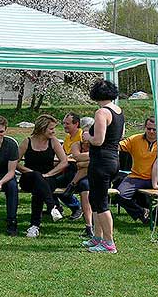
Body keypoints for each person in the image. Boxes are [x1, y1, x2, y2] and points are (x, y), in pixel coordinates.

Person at [81, 80, 124, 254]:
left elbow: (98, 140)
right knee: (96, 199)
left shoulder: (101, 112)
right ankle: (97, 237)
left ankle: (109, 242)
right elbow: (120, 135)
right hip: (113, 159)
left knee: (101, 202)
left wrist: (86, 137)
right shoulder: (119, 111)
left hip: (101, 161)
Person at [116, 117, 158, 224]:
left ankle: (155, 216)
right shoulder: (134, 139)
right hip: (136, 176)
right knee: (119, 195)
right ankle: (142, 213)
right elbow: (118, 146)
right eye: (149, 128)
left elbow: (157, 164)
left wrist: (155, 183)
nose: (151, 131)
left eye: (154, 129)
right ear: (145, 128)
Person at [17, 114, 68, 238]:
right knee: (37, 177)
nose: (53, 131)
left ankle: (34, 226)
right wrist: (30, 172)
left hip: (48, 179)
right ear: (42, 128)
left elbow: (64, 162)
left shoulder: (53, 141)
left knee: (39, 189)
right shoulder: (27, 141)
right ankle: (52, 207)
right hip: (28, 178)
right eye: (51, 129)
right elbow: (15, 163)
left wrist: (49, 174)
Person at [54, 112, 83, 220]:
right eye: (64, 123)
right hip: (67, 168)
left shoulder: (82, 136)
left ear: (76, 124)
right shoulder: (68, 137)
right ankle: (55, 207)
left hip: (78, 170)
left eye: (67, 124)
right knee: (49, 181)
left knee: (58, 185)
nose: (65, 126)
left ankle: (76, 207)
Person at [70, 116, 95, 238]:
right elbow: (77, 158)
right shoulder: (76, 144)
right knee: (85, 186)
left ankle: (89, 226)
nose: (85, 137)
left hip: (96, 175)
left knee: (86, 186)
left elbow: (80, 162)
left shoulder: (97, 144)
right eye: (84, 132)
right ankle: (89, 226)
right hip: (82, 178)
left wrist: (84, 161)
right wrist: (91, 158)